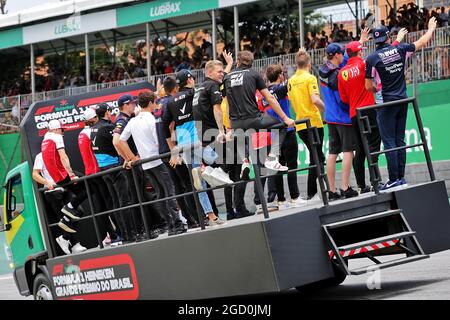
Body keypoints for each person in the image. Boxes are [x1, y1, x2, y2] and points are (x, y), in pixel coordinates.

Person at [365, 18, 437, 191]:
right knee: (400, 140)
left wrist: (377, 88)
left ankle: (393, 179)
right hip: (403, 100)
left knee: (389, 141)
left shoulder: (372, 58)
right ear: (388, 38)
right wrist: (431, 28)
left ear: (375, 41)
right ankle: (401, 178)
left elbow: (368, 86)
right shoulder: (401, 48)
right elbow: (421, 42)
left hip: (386, 104)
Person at [162, 69, 226, 227]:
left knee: (199, 186)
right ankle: (207, 170)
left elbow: (164, 126)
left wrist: (173, 150)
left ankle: (211, 216)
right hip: (200, 139)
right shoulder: (195, 93)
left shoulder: (170, 102)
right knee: (222, 162)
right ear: (189, 80)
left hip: (184, 144)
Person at [119, 91, 187, 236]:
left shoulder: (133, 121)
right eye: (155, 103)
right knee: (169, 192)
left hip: (145, 163)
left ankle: (171, 225)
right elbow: (159, 142)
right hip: (157, 160)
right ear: (150, 103)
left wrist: (132, 158)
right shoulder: (152, 120)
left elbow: (120, 140)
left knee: (160, 194)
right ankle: (177, 224)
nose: (156, 106)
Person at [223, 50, 295, 172]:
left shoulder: (227, 77)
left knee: (239, 133)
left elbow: (228, 103)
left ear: (238, 61)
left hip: (236, 122)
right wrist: (285, 118)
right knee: (282, 126)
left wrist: (230, 127)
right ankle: (272, 158)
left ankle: (245, 162)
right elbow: (270, 97)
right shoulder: (254, 74)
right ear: (251, 62)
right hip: (254, 119)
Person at [154, 77, 200, 228]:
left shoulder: (159, 104)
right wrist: (175, 150)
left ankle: (191, 219)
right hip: (174, 148)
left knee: (178, 187)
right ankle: (197, 218)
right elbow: (170, 127)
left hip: (163, 150)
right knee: (188, 184)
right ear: (175, 89)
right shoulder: (172, 102)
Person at [338, 41, 381, 194]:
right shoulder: (364, 64)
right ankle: (376, 181)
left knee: (360, 150)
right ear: (359, 52)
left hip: (354, 114)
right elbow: (371, 83)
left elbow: (343, 99)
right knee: (374, 145)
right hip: (368, 109)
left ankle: (362, 186)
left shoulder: (341, 73)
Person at [263, 64, 308, 208]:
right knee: (292, 166)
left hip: (273, 134)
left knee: (278, 167)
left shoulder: (265, 94)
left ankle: (281, 200)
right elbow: (293, 80)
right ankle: (295, 197)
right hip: (286, 132)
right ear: (280, 76)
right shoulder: (280, 89)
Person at [40, 119, 87, 253]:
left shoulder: (46, 139)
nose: (63, 133)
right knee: (92, 185)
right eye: (61, 130)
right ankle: (69, 209)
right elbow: (63, 157)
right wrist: (71, 175)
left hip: (58, 178)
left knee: (76, 210)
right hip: (61, 177)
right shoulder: (56, 137)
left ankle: (65, 237)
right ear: (55, 130)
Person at [320, 43, 359, 200]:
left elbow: (344, 62)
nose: (343, 55)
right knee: (348, 151)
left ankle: (331, 190)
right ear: (336, 55)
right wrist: (351, 103)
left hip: (330, 117)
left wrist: (361, 40)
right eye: (342, 53)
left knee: (332, 153)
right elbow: (341, 99)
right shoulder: (336, 75)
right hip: (342, 117)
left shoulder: (323, 69)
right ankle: (345, 187)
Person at [78, 107, 120, 246]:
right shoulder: (91, 132)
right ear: (94, 119)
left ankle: (111, 234)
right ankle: (115, 234)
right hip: (98, 172)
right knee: (109, 203)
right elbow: (95, 154)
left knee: (102, 206)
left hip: (91, 173)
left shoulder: (82, 133)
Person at [288, 48, 325, 202]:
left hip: (300, 124)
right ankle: (313, 192)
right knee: (318, 157)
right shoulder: (310, 78)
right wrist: (325, 110)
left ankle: (315, 191)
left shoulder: (290, 81)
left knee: (315, 156)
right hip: (313, 122)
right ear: (309, 63)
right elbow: (315, 100)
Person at [32, 152, 86, 255]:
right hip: (53, 192)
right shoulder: (40, 156)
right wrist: (47, 183)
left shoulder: (60, 153)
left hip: (65, 187)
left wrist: (72, 176)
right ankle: (74, 244)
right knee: (65, 218)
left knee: (79, 211)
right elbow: (35, 174)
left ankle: (64, 238)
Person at [112, 94, 146, 241]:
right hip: (130, 166)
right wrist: (130, 158)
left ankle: (139, 230)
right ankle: (138, 232)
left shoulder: (128, 118)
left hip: (129, 165)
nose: (134, 105)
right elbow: (116, 142)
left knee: (137, 196)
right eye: (132, 103)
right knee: (135, 197)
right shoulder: (122, 120)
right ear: (125, 105)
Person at [91, 103, 124, 243]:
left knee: (115, 202)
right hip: (113, 168)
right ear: (107, 112)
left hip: (103, 170)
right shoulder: (107, 127)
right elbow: (117, 144)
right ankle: (126, 233)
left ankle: (121, 233)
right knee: (123, 201)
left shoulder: (92, 129)